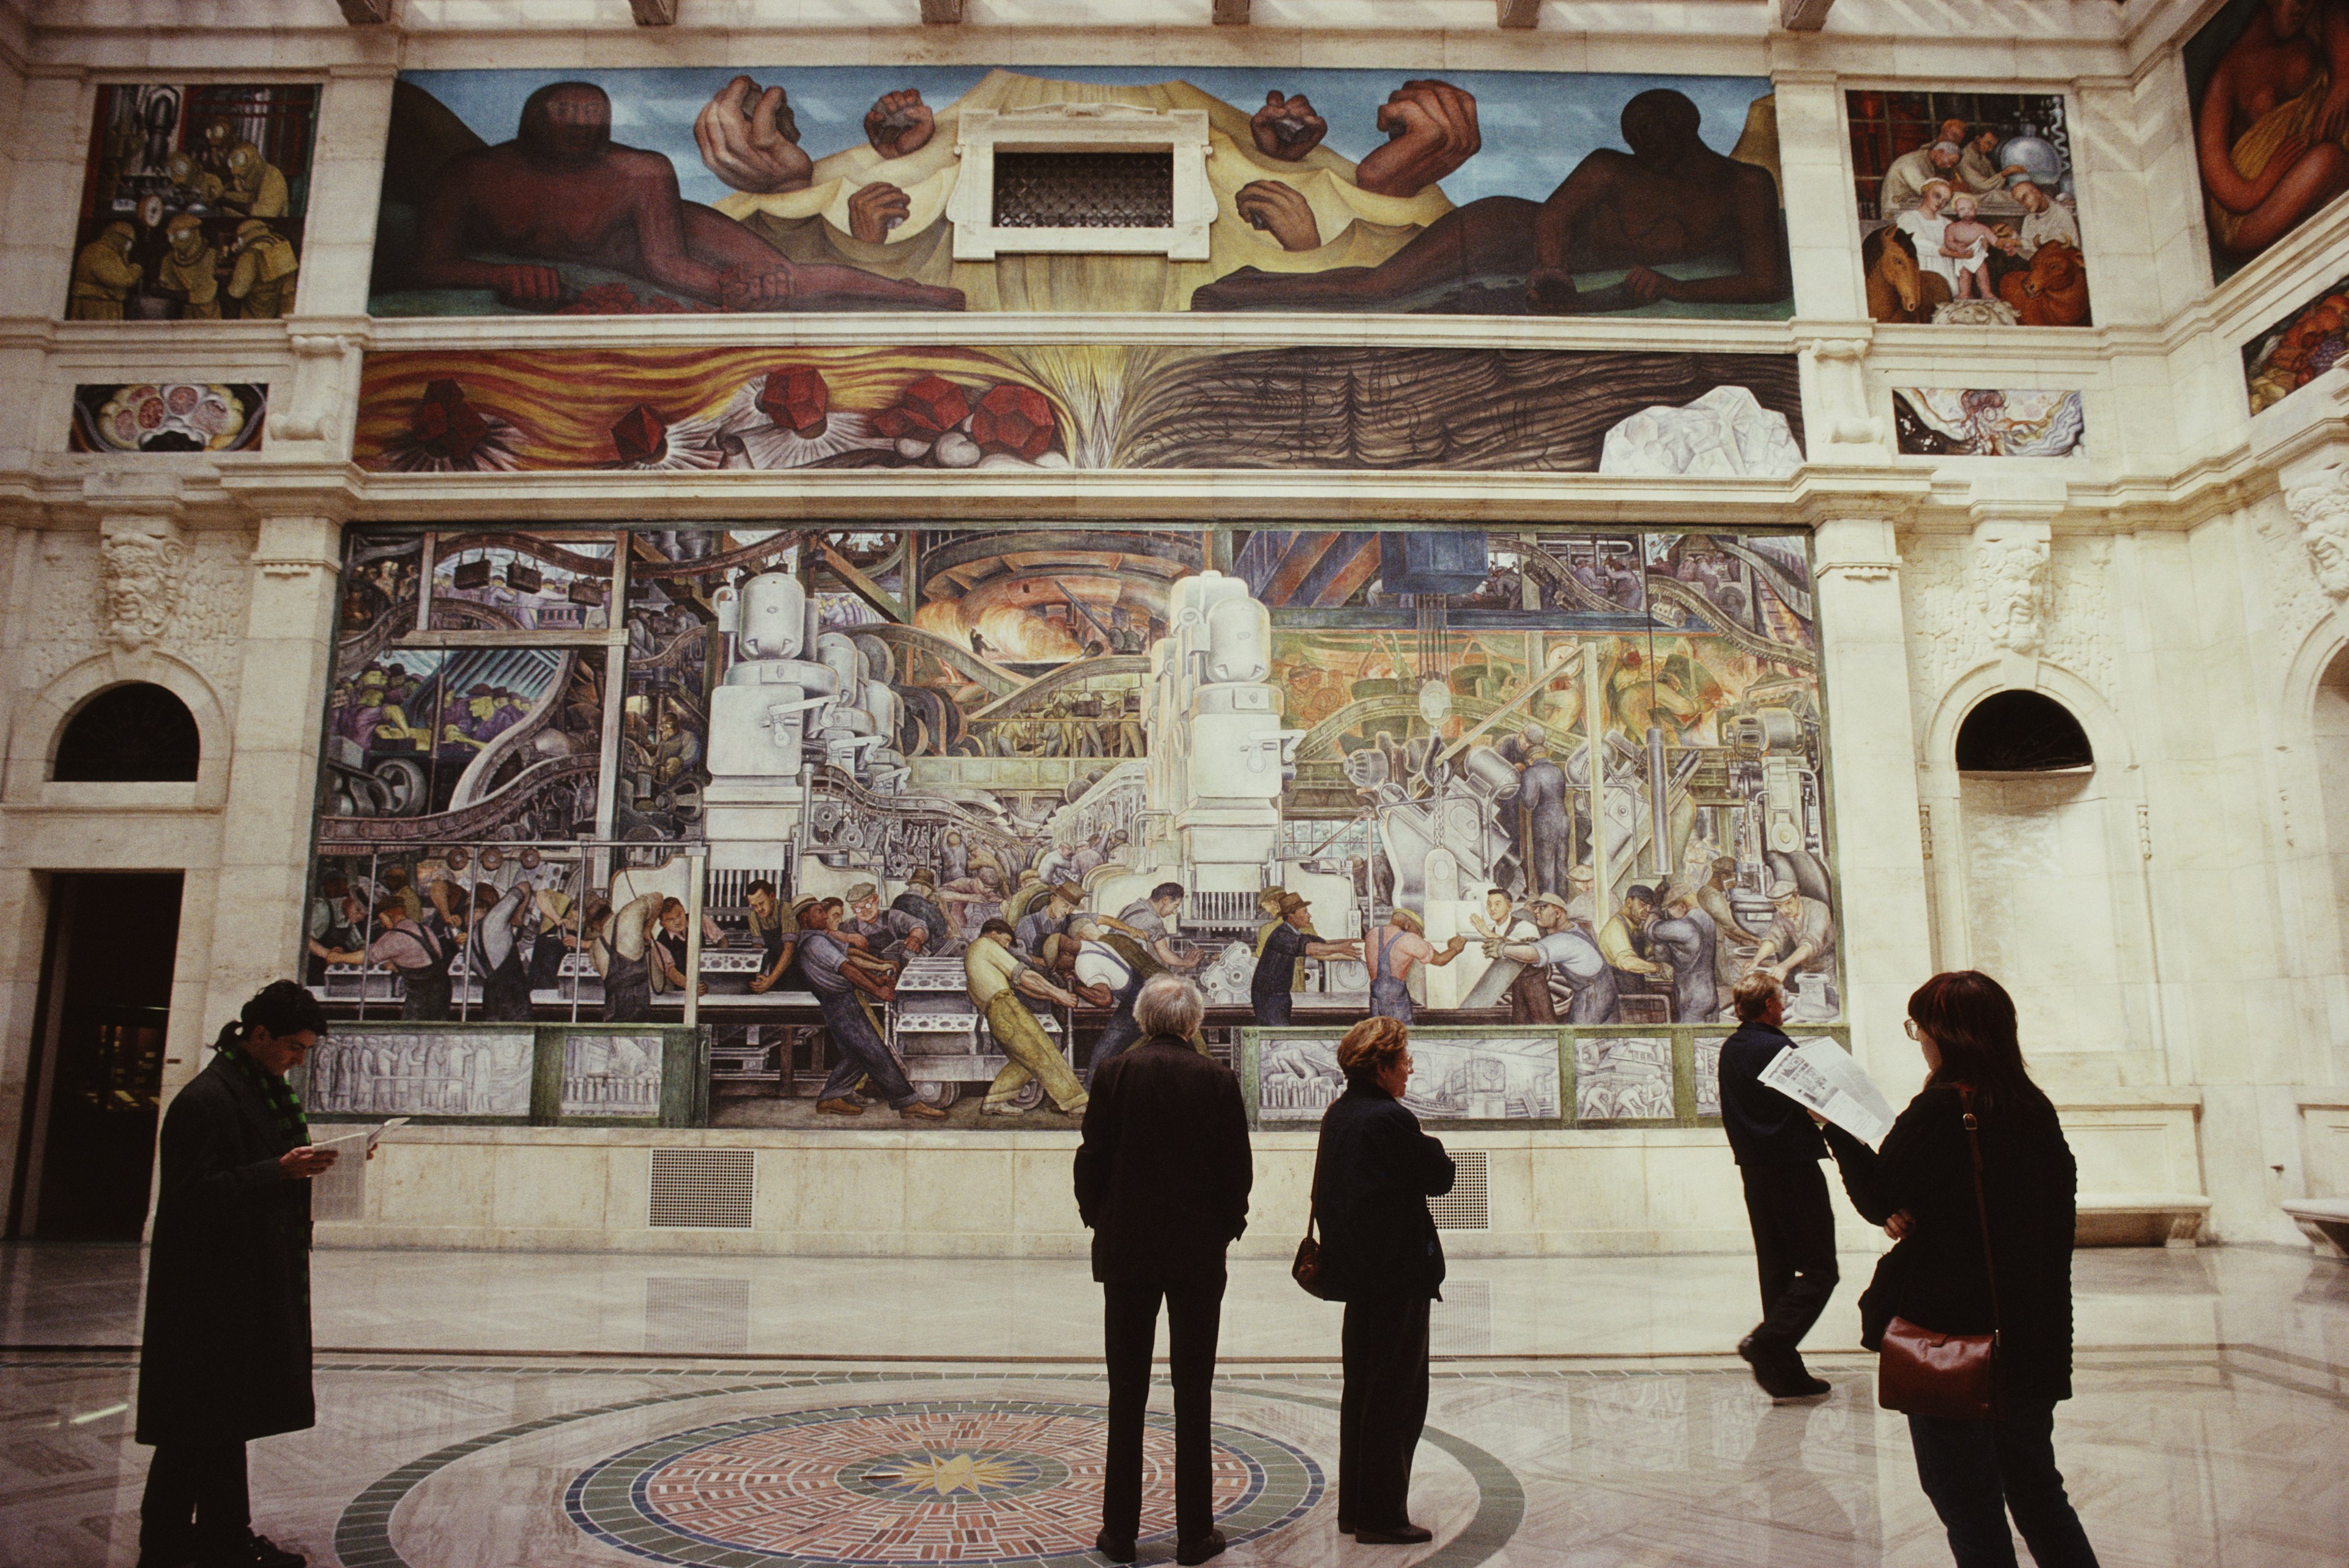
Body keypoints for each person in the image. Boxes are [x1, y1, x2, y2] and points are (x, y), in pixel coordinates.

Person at [1822, 971, 2099, 1568]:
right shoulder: (2032, 1107)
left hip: (1950, 1342)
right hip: (2030, 1335)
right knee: (2038, 1496)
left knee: (1969, 1509)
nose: (1918, 1038)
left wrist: (1836, 1130)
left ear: (1946, 1034)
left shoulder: (1943, 1108)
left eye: (1918, 1026)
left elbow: (1878, 1196)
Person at [1192, 87, 1789, 315]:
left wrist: (1675, 287)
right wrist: (1551, 268)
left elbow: (1766, 281)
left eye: (1656, 138)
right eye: (1636, 139)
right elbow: (1554, 215)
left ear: (1688, 128)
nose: (1644, 150)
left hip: (1530, 259)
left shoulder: (1744, 187)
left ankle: (1254, 285)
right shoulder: (1612, 167)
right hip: (1502, 232)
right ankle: (1241, 290)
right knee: (1382, 289)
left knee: (1384, 287)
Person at [412, 80, 962, 313]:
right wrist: (497, 276)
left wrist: (733, 287)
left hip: (687, 235)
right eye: (563, 125)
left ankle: (920, 297)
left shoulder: (639, 171)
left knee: (788, 283)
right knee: (785, 281)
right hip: (659, 254)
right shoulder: (473, 175)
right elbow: (428, 263)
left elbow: (666, 261)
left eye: (590, 126)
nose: (577, 135)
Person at [137, 981, 340, 1568]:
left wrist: (318, 1162)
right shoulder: (206, 1099)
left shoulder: (254, 1091)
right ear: (259, 1036)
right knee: (199, 1422)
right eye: (294, 1048)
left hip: (239, 1283)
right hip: (207, 1292)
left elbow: (263, 1163)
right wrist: (276, 1170)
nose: (298, 1060)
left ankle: (200, 1537)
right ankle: (192, 1540)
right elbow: (188, 1198)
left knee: (212, 1422)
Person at [1072, 975, 1253, 1567]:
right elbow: (1237, 1173)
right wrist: (1225, 1227)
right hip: (1198, 1255)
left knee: (1126, 1392)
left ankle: (1119, 1533)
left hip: (1127, 1251)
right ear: (1193, 1023)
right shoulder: (1219, 1080)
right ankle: (1195, 1534)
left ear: (1145, 1021)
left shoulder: (1113, 1073)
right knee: (1193, 1391)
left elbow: (1092, 1159)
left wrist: (1100, 1218)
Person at [1310, 1017, 1454, 1544]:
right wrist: (1432, 1145)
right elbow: (1439, 1175)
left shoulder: (1340, 1113)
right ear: (1381, 1065)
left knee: (1364, 1393)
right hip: (1397, 1276)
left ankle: (1357, 1508)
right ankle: (1382, 1514)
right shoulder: (1388, 1118)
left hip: (1357, 1276)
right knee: (1396, 1397)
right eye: (1403, 1060)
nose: (1409, 1068)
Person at [1719, 971, 1838, 1400]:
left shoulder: (1731, 1048)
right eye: (1780, 1000)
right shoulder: (1777, 1047)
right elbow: (1814, 1103)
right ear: (1769, 1005)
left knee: (1776, 1271)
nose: (1784, 1006)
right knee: (1821, 1269)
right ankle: (1767, 1341)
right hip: (1793, 1166)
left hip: (1755, 1169)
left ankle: (1783, 1370)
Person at [2194, 0, 2349, 261]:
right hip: (2247, 216)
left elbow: (2336, 17)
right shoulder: (2228, 73)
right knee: (2329, 161)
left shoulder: (2316, 28)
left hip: (2305, 182)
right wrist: (2266, 179)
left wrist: (2343, 82)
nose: (2302, 7)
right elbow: (2217, 173)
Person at [801, 899, 944, 1120]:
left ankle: (831, 1097)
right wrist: (879, 991)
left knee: (856, 1054)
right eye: (819, 912)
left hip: (841, 1000)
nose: (825, 916)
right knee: (875, 1051)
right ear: (805, 919)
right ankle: (908, 1102)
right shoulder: (815, 943)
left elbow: (851, 958)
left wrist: (877, 977)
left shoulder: (821, 938)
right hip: (839, 1003)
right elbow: (847, 969)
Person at [964, 917, 1089, 1117]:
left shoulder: (975, 958)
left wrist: (1051, 996)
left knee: (1025, 1059)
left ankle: (994, 1101)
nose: (1006, 947)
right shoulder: (985, 944)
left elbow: (1022, 986)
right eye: (1005, 941)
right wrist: (1060, 994)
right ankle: (1076, 1103)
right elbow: (1025, 977)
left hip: (996, 1015)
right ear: (994, 933)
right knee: (1043, 1051)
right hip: (1006, 1007)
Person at [1498, 893, 1616, 1022]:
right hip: (1592, 997)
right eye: (1536, 908)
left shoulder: (1566, 939)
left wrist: (1501, 949)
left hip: (1593, 1002)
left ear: (1558, 913)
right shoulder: (1574, 930)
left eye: (1543, 908)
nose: (1536, 912)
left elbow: (1533, 955)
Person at [1250, 894, 1360, 1027]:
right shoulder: (1282, 937)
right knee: (1278, 1033)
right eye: (1305, 912)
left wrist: (1349, 942)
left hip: (1278, 993)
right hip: (1269, 996)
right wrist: (1341, 948)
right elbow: (1310, 948)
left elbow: (1323, 943)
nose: (1309, 916)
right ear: (1291, 916)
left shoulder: (1292, 933)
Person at [1362, 908, 1466, 1023]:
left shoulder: (1372, 933)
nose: (1419, 936)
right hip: (1396, 1000)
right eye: (1418, 932)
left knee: (1379, 1033)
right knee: (1403, 1033)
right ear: (1408, 925)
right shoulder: (1408, 939)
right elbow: (1440, 960)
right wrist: (1455, 948)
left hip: (1375, 998)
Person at [1469, 888, 1552, 1024]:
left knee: (1544, 1022)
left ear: (1509, 907)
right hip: (1514, 983)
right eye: (1489, 904)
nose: (1492, 909)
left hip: (1533, 984)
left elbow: (1523, 948)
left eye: (1497, 904)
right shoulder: (1491, 928)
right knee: (1520, 1024)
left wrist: (1488, 934)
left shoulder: (1525, 926)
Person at [1649, 881, 1722, 1024]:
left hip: (1692, 998)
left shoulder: (1685, 927)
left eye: (1669, 909)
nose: (1669, 915)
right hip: (1710, 993)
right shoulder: (1707, 919)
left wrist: (1656, 910)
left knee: (1688, 1043)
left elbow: (1651, 930)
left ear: (1681, 906)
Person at [1751, 878, 1836, 987]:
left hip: (1828, 969)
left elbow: (1810, 944)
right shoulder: (1781, 915)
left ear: (1797, 897)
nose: (1784, 910)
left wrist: (1784, 966)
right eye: (1778, 905)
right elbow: (1774, 938)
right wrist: (1755, 960)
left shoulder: (1818, 909)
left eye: (1788, 903)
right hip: (1806, 969)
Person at [1115, 882, 1204, 970]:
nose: (1174, 912)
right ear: (1166, 900)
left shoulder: (1130, 908)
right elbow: (1164, 952)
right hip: (1126, 968)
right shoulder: (1153, 920)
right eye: (1175, 906)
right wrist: (1187, 963)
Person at [1877, 138, 1965, 217]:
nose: (1949, 166)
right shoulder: (1909, 162)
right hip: (1897, 212)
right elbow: (1926, 189)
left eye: (1953, 164)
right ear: (1940, 152)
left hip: (1912, 209)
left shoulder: (1929, 163)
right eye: (1949, 161)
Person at [744, 878, 798, 994]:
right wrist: (759, 977)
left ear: (772, 896)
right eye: (754, 906)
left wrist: (770, 980)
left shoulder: (787, 910)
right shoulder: (754, 916)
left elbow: (789, 950)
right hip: (774, 971)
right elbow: (758, 949)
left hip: (794, 971)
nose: (759, 909)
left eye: (761, 903)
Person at [1942, 192, 1996, 299]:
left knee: (1983, 274)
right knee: (1964, 275)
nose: (1967, 212)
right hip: (1962, 254)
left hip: (1978, 255)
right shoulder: (1952, 228)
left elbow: (1995, 240)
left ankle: (1986, 293)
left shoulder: (1982, 228)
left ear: (1975, 210)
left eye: (1970, 209)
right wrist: (1958, 248)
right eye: (1962, 209)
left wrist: (2004, 244)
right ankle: (1964, 293)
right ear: (1957, 212)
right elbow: (1949, 242)